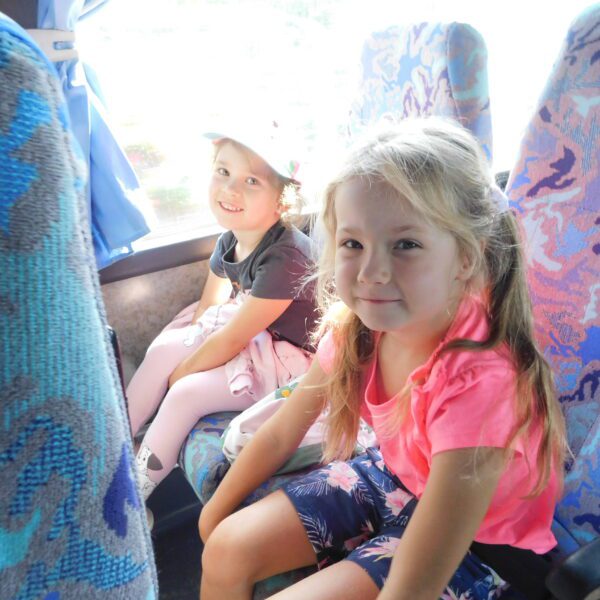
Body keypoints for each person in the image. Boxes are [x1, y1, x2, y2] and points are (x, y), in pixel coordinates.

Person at [198, 118, 566, 600]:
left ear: (466, 258)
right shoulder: (359, 330)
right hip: (397, 476)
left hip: (483, 545)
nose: (372, 272)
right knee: (225, 548)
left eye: (406, 245)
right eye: (353, 244)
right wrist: (211, 518)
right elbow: (281, 432)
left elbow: (419, 576)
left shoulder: (481, 383)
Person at [126, 123, 318, 511]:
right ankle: (110, 450)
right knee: (165, 348)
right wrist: (185, 346)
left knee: (185, 392)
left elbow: (232, 338)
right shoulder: (231, 237)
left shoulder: (286, 257)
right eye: (223, 171)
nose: (230, 189)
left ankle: (130, 498)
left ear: (281, 201)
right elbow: (210, 307)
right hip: (257, 335)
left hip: (293, 362)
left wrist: (182, 374)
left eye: (251, 181)